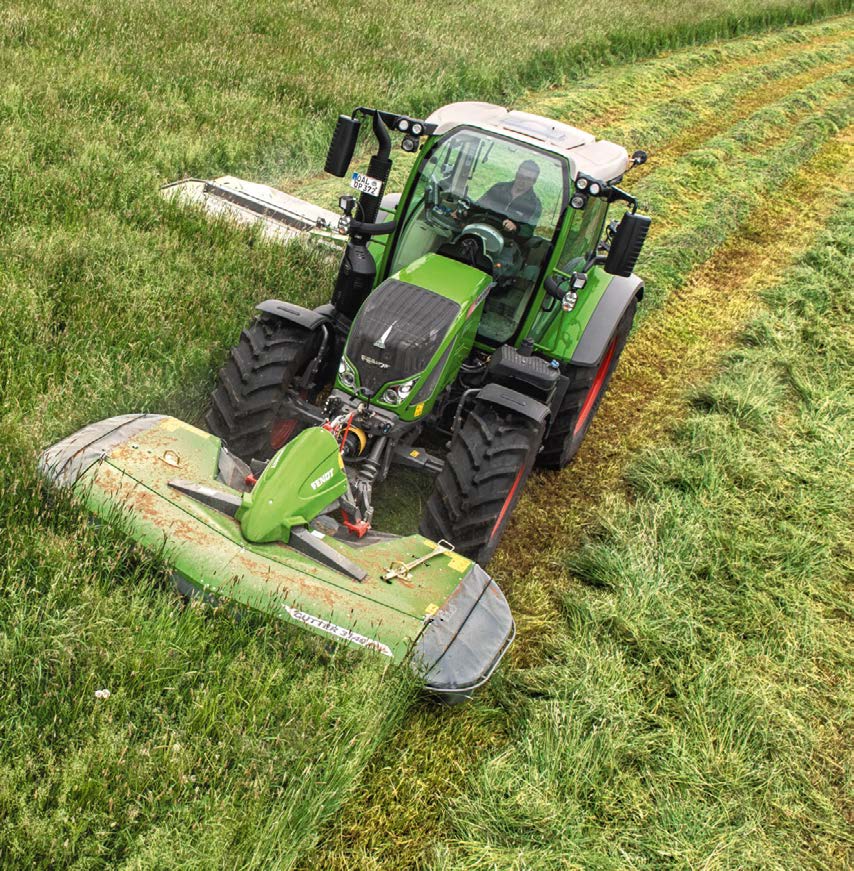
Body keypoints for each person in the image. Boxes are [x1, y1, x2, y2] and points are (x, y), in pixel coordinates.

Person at [475, 159, 542, 240]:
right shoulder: (498, 188)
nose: (523, 181)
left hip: (507, 241)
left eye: (528, 179)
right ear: (516, 174)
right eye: (521, 176)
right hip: (481, 229)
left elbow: (528, 231)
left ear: (534, 181)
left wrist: (516, 227)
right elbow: (477, 206)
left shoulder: (534, 204)